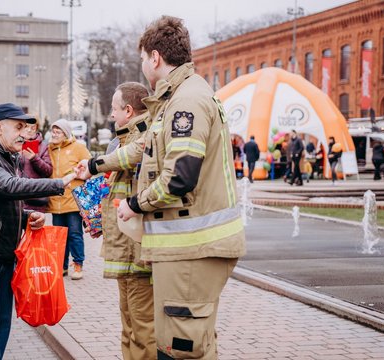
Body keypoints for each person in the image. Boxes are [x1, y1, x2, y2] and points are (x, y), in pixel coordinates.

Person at [116, 16, 245, 359]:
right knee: (189, 345)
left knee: (180, 350)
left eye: (143, 58)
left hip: (193, 250)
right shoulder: (181, 96)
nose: (143, 66)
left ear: (155, 57)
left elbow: (179, 177)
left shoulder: (185, 101)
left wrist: (135, 203)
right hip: (188, 250)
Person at [0, 103, 76, 360]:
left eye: (26, 128)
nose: (25, 134)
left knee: (2, 325)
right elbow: (9, 187)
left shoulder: (9, 156)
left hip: (4, 255)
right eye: (19, 127)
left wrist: (26, 217)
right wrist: (60, 182)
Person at [78, 82, 157, 358]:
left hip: (138, 249)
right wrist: (99, 221)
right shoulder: (119, 141)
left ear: (128, 109)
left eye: (114, 109)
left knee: (142, 328)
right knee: (129, 326)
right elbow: (114, 189)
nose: (111, 116)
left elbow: (133, 157)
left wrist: (93, 165)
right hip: (124, 247)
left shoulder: (147, 135)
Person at [47, 119, 91, 280]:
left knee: (74, 234)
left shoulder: (78, 147)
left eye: (58, 131)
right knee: (59, 236)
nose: (54, 134)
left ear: (65, 133)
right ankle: (62, 266)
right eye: (53, 131)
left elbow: (90, 167)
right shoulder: (49, 149)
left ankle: (78, 265)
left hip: (72, 200)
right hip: (56, 200)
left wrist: (81, 173)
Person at [20, 118, 53, 212]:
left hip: (35, 198)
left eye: (33, 127)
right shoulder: (14, 143)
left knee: (34, 225)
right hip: (16, 197)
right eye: (26, 127)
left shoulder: (43, 146)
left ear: (36, 129)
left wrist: (34, 158)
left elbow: (48, 171)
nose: (29, 130)